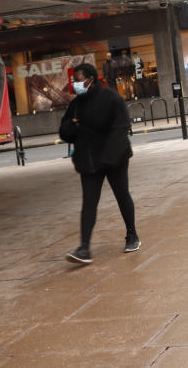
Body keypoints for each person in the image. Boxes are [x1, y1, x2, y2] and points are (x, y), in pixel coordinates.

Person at [59, 62, 140, 264]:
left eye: (78, 80)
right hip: (89, 161)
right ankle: (84, 248)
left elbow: (121, 128)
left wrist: (110, 157)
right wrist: (72, 127)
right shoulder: (76, 104)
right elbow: (64, 130)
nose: (76, 84)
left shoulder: (112, 98)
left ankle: (132, 235)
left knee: (122, 195)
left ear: (90, 79)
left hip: (115, 159)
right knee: (89, 203)